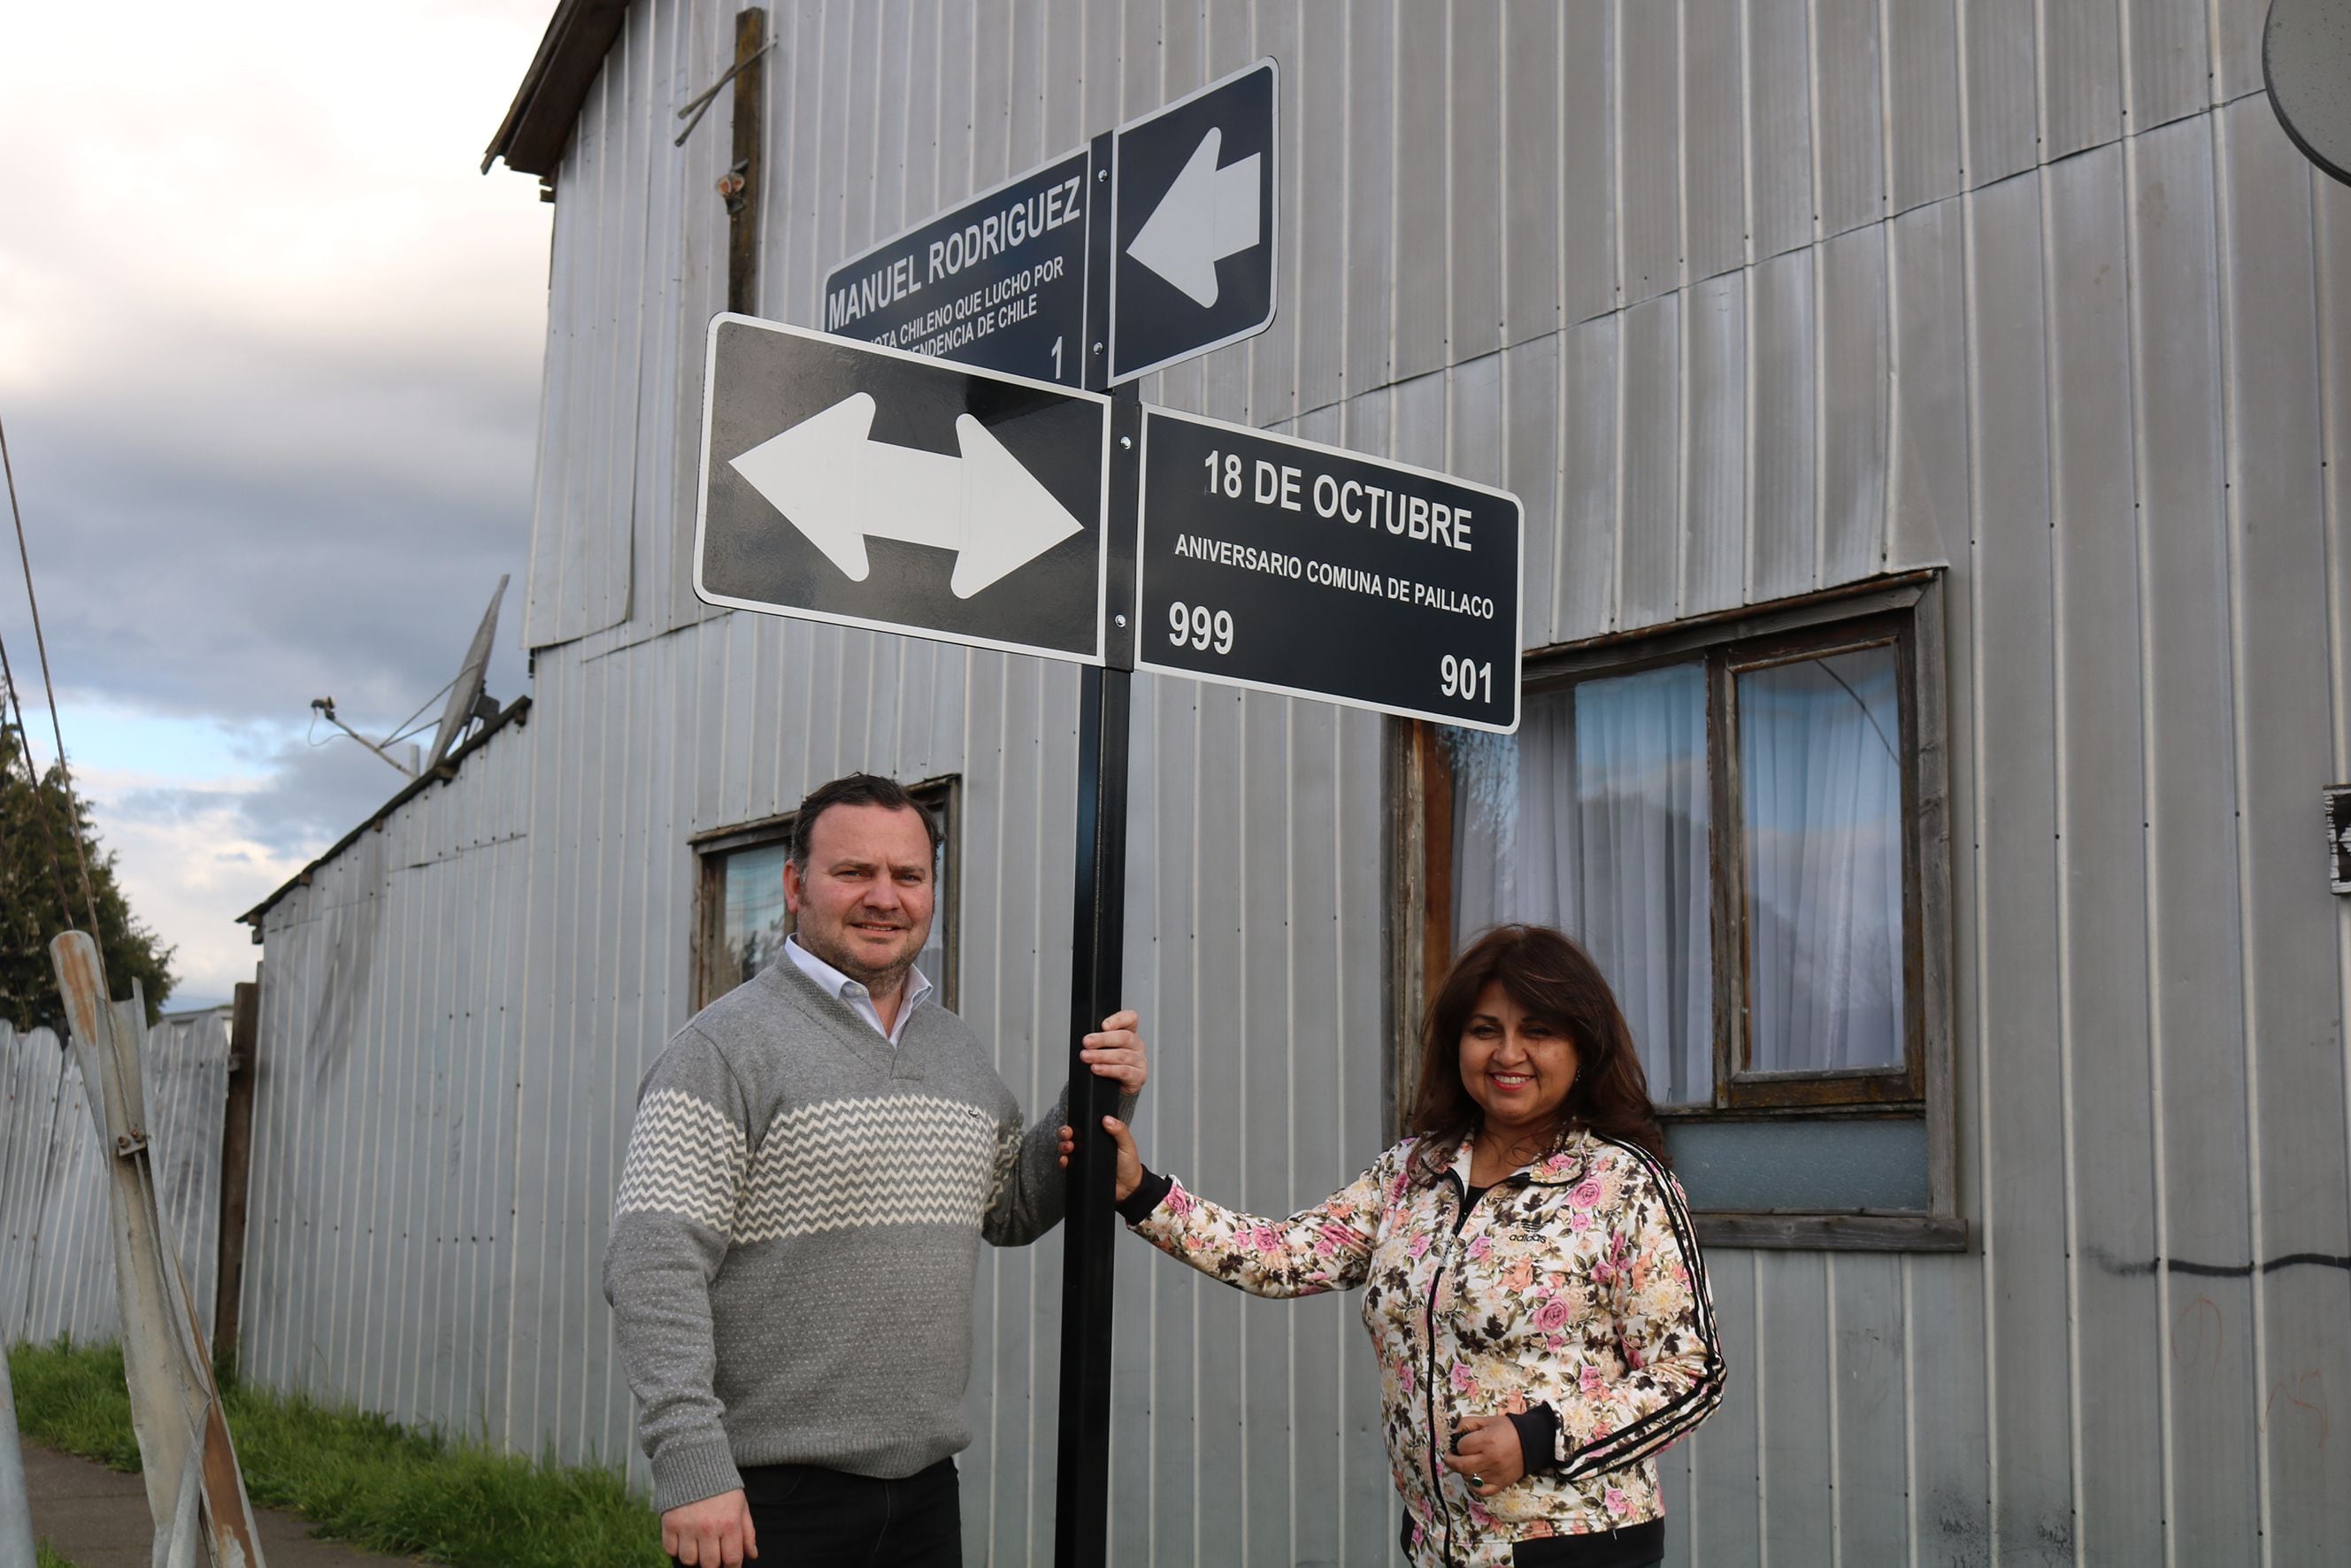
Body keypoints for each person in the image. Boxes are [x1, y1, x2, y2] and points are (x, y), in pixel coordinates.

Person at [603, 772, 1147, 1568]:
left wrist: (1099, 1095)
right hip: (766, 1501)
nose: (883, 897)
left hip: (925, 1492)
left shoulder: (954, 1049)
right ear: (795, 885)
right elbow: (653, 1267)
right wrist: (692, 1469)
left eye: (908, 875)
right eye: (853, 872)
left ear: (931, 889)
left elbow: (1014, 1207)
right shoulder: (723, 1048)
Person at [1103, 924, 1723, 1568]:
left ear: (1582, 1048)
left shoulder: (1622, 1183)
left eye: (1538, 1031)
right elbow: (1283, 1256)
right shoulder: (1412, 1172)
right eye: (1485, 1030)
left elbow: (1692, 1376)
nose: (1508, 1053)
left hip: (1576, 1546)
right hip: (1439, 1546)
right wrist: (1139, 1192)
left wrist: (1539, 1438)